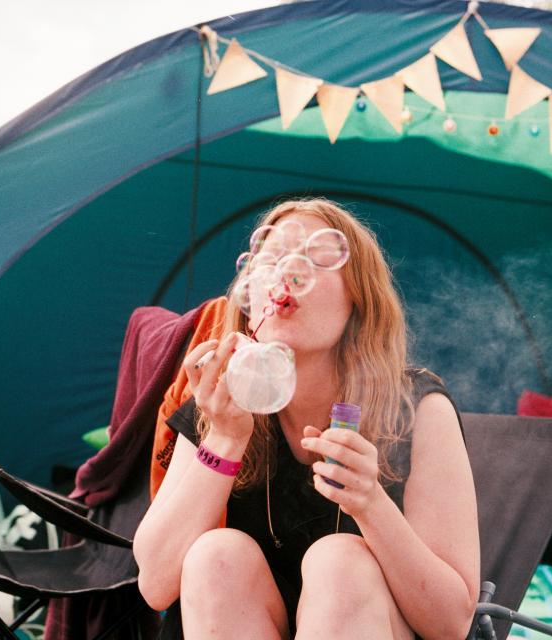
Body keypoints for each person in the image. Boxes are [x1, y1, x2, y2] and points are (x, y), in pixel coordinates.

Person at [133, 198, 479, 639]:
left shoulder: (416, 409)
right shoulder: (218, 402)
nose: (286, 276)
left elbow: (452, 623)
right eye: (271, 261)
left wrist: (371, 504)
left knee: (339, 562)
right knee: (215, 556)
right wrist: (223, 439)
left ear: (359, 299)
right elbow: (156, 585)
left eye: (314, 261)